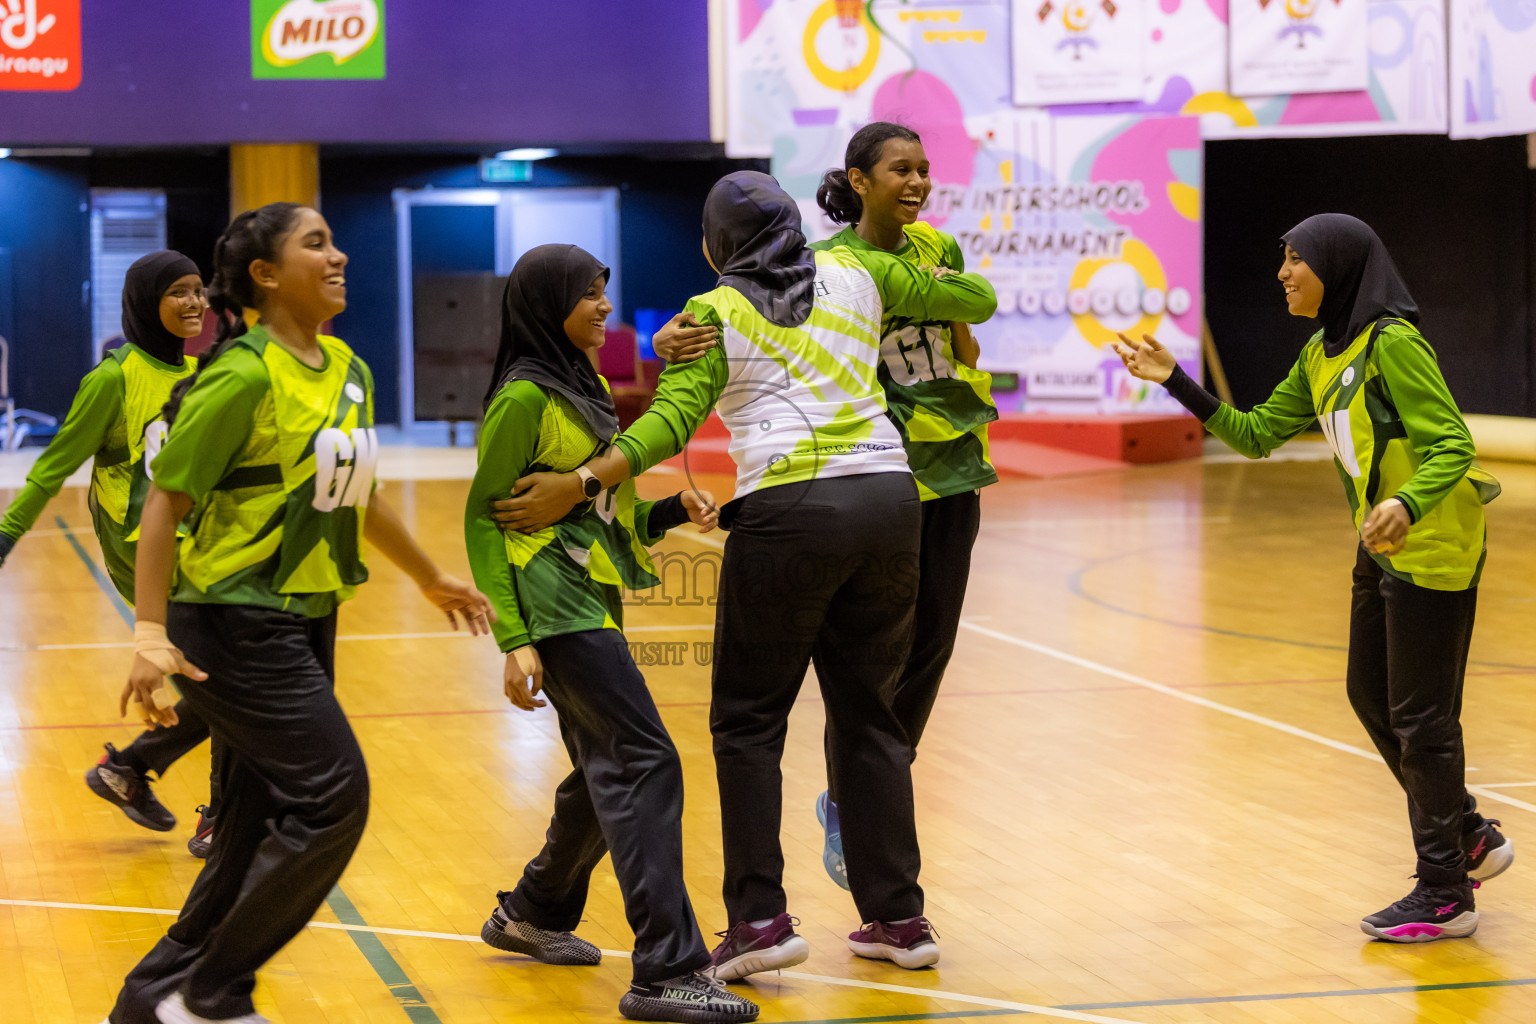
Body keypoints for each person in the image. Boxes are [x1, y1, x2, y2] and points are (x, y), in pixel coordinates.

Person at [493, 171, 997, 979]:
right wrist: (934, 278)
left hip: (792, 512)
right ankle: (899, 918)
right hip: (891, 500)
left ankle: (761, 921)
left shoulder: (714, 313)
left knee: (749, 722)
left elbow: (667, 425)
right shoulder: (861, 270)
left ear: (711, 247)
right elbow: (971, 302)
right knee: (871, 716)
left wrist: (588, 480)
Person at [103, 202, 495, 1024]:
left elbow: (359, 493)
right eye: (316, 243)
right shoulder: (242, 374)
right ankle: (213, 993)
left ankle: (152, 999)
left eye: (334, 238)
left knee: (247, 825)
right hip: (230, 619)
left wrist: (430, 579)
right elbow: (164, 507)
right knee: (332, 799)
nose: (339, 254)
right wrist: (148, 633)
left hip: (310, 614)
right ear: (266, 275)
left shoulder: (348, 366)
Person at [1112, 212, 1511, 944]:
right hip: (1382, 541)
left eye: (1296, 259)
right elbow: (1257, 434)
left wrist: (1404, 501)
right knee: (1370, 695)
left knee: (1423, 719)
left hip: (1433, 539)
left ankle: (1446, 889)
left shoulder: (1393, 343)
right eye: (1283, 259)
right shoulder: (1321, 354)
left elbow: (1452, 441)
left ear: (1339, 266)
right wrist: (1176, 381)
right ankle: (1467, 832)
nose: (1282, 272)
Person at [657, 122, 999, 890]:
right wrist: (667, 340)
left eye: (924, 169)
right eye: (899, 170)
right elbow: (739, 329)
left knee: (931, 653)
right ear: (858, 181)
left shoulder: (935, 251)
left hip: (955, 465)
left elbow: (973, 312)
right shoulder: (833, 265)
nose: (916, 183)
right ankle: (855, 808)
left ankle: (857, 802)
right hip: (881, 470)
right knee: (871, 673)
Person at [465, 243, 756, 1024]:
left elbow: (591, 505)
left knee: (605, 769)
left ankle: (532, 911)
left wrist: (664, 512)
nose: (603, 306)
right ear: (544, 304)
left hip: (589, 595)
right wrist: (512, 638)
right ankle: (667, 969)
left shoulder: (583, 382)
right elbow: (483, 523)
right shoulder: (522, 398)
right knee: (644, 761)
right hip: (553, 606)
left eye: (604, 290)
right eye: (587, 294)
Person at [0, 251, 219, 851]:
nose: (195, 303)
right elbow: (51, 468)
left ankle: (128, 769)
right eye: (179, 291)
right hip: (139, 545)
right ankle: (214, 809)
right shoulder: (113, 378)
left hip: (202, 543)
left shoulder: (205, 372)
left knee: (222, 675)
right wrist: (5, 537)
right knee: (225, 673)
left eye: (200, 290)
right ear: (147, 302)